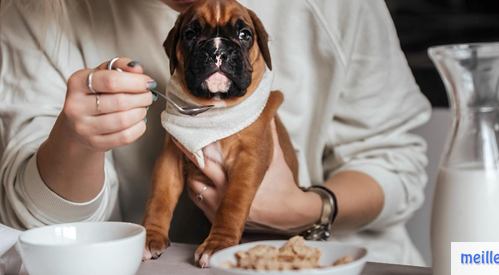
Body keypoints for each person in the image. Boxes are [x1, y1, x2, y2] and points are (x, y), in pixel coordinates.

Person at [0, 0, 432, 265]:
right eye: (195, 37)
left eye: (239, 37)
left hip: (335, 259)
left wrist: (306, 208)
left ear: (259, 43)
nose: (219, 50)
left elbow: (399, 161)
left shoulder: (337, 7)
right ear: (177, 49)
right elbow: (31, 228)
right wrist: (75, 143)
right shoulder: (40, 11)